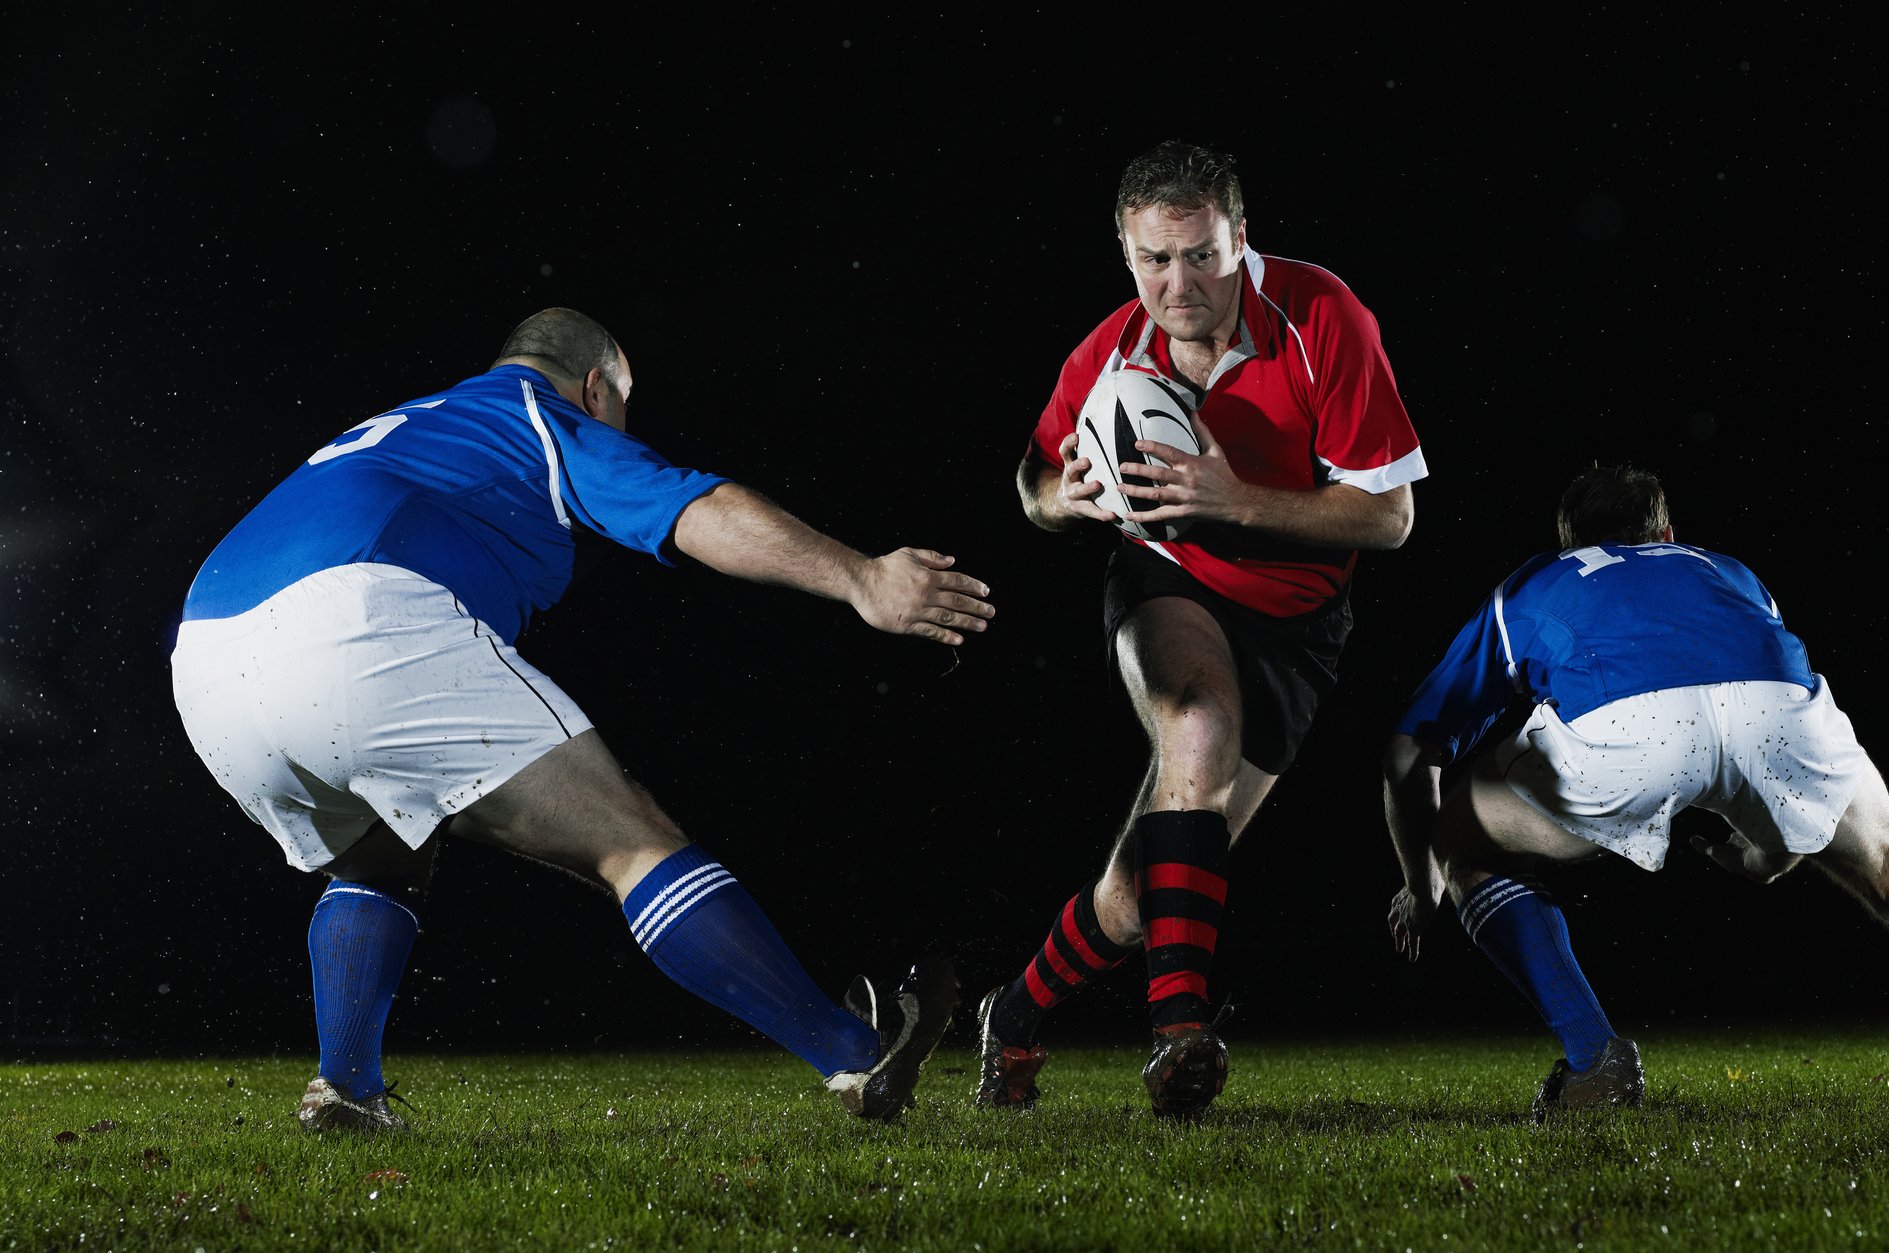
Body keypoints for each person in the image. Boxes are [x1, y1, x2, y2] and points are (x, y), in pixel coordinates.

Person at [171, 308, 996, 1131]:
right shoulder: (537, 414)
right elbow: (694, 507)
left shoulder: (413, 422)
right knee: (633, 841)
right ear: (597, 386)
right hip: (352, 619)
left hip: (204, 662)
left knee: (384, 856)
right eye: (622, 401)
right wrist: (860, 577)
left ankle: (346, 1087)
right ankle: (854, 1053)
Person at [976, 141, 1428, 1117]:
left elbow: (1388, 516)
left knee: (1142, 897)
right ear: (1125, 252)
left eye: (1199, 256)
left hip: (1297, 619)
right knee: (1195, 728)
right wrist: (1072, 499)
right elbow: (1032, 482)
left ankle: (1010, 1018)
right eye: (1152, 260)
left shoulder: (1321, 317)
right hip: (1167, 578)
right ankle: (1179, 1034)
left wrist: (1237, 496)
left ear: (1240, 238)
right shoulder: (1110, 351)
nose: (1176, 286)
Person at [1381, 462, 1889, 1116]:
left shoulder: (1534, 581)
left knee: (1458, 840)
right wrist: (1765, 855)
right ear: (1667, 531)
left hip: (1625, 730)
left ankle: (1595, 1060)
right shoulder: (1729, 573)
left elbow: (1406, 752)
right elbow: (1743, 724)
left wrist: (1422, 889)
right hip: (1777, 706)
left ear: (1568, 541)